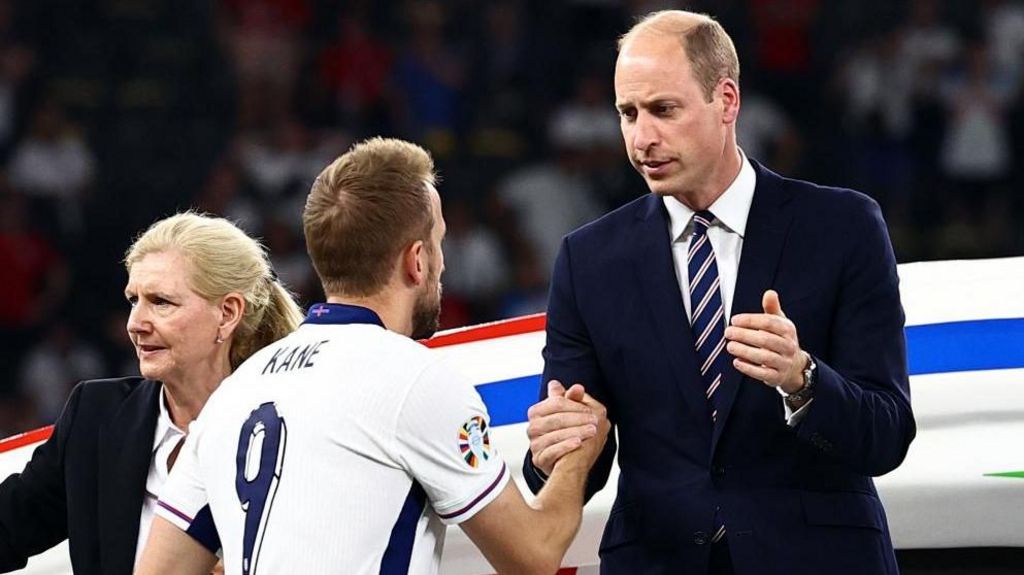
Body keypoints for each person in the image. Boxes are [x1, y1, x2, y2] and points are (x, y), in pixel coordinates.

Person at [522, 10, 915, 575]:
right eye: (627, 114)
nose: (642, 138)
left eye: (663, 110)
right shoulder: (589, 260)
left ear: (726, 101)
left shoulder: (843, 226)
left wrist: (802, 379)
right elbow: (579, 456)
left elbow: (888, 433)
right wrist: (555, 451)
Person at [136, 137, 610, 575]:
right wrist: (580, 453)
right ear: (416, 260)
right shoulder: (415, 379)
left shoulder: (234, 392)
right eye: (439, 243)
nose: (441, 264)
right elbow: (534, 555)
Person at [0, 212, 304, 575]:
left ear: (227, 313)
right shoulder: (95, 416)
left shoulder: (297, 427)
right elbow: (9, 526)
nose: (135, 324)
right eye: (134, 300)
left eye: (161, 302)